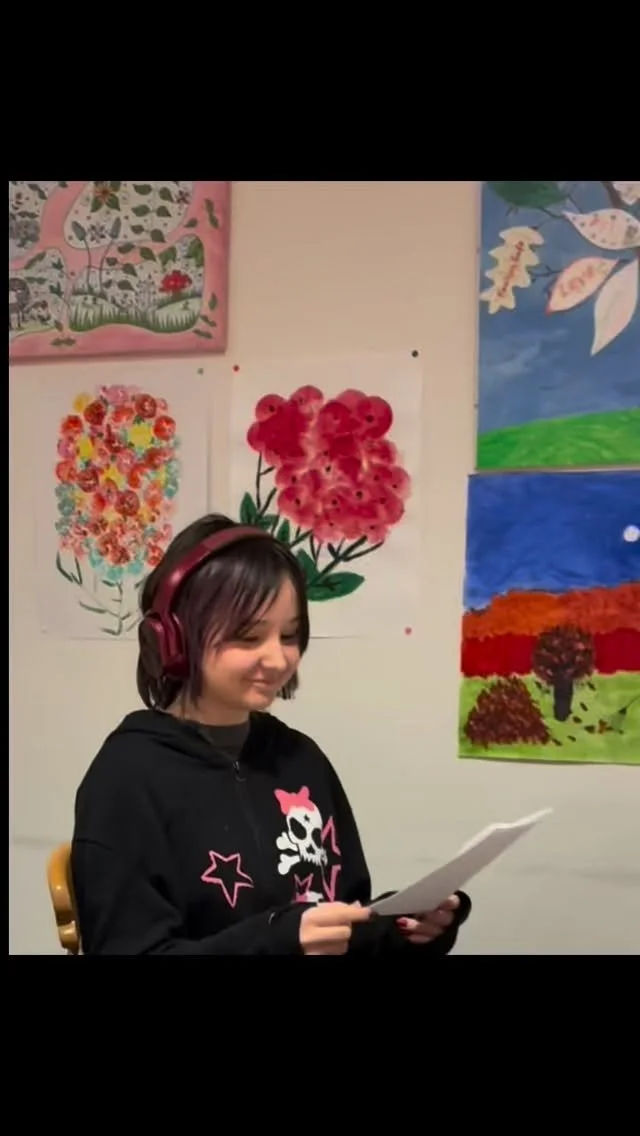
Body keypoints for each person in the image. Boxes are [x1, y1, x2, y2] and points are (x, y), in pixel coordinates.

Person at [71, 513, 471, 955]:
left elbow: (341, 921)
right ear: (174, 641)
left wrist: (404, 929)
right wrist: (278, 941)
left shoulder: (300, 758)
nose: (279, 659)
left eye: (290, 635)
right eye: (249, 637)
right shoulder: (126, 779)